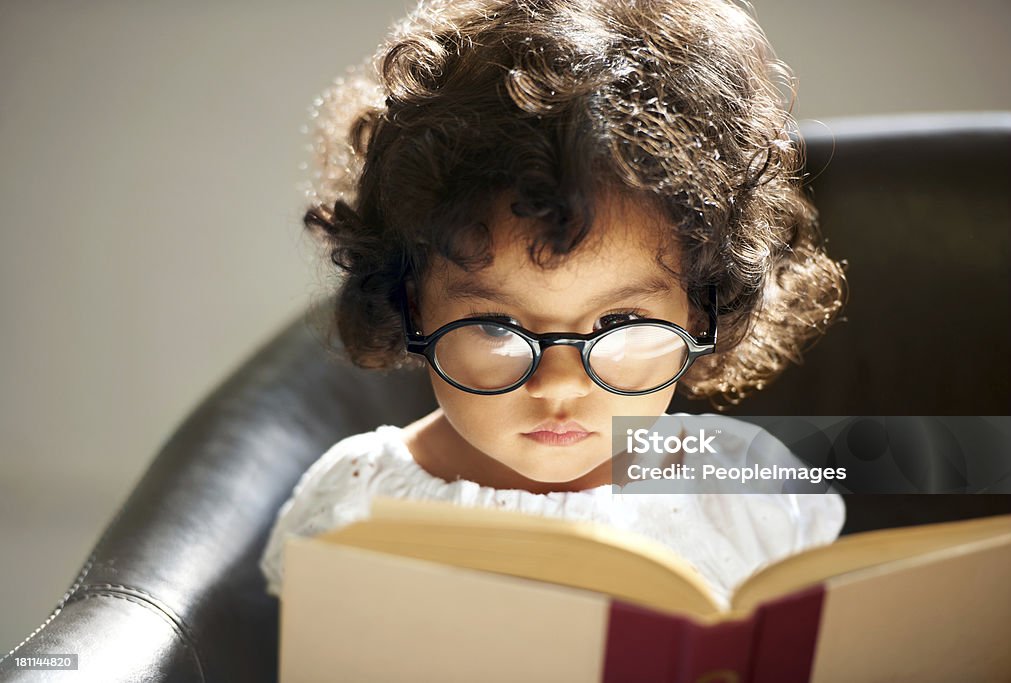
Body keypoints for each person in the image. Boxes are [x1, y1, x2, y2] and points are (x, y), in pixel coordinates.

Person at [260, 0, 848, 608]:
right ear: (412, 307)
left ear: (699, 309)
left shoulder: (749, 492)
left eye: (621, 323)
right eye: (497, 328)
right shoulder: (356, 503)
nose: (559, 385)